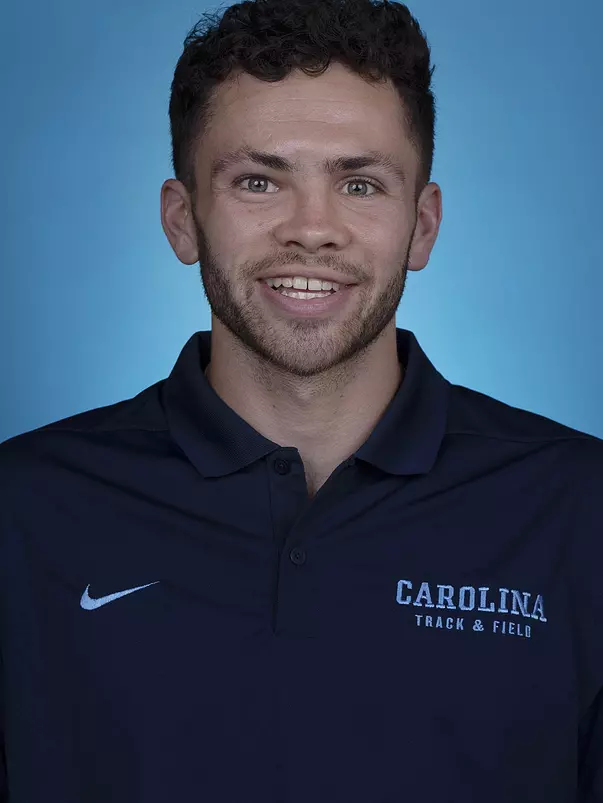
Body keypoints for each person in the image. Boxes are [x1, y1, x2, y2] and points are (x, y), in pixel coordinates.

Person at [1, 0, 602, 800]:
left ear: (421, 227)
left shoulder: (577, 511)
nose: (312, 230)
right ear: (182, 221)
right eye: (258, 180)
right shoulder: (23, 513)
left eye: (358, 183)